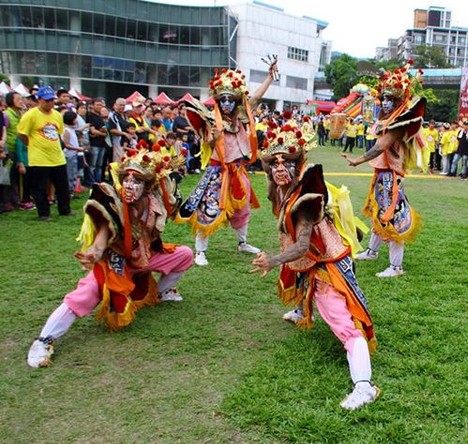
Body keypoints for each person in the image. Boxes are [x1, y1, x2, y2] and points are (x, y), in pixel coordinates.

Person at [251, 121, 379, 410]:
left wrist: (272, 260)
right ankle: (300, 312)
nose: (280, 168)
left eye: (287, 162)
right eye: (275, 163)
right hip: (319, 260)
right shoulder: (283, 191)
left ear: (299, 165)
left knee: (344, 324)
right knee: (299, 276)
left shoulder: (306, 198)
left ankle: (364, 386)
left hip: (328, 263)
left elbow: (301, 246)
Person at [27, 147, 193, 368]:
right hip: (117, 262)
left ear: (148, 186)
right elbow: (103, 236)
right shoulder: (114, 203)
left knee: (184, 255)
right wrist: (95, 252)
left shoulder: (156, 201)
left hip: (144, 256)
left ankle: (163, 292)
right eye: (127, 178)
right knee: (86, 294)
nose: (130, 184)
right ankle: (44, 340)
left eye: (137, 180)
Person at [177, 62, 278, 265]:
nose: (226, 103)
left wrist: (270, 76)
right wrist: (213, 137)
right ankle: (200, 251)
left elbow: (256, 98)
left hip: (238, 170)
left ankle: (242, 243)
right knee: (208, 209)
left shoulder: (241, 116)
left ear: (236, 101)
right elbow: (208, 143)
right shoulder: (210, 120)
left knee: (243, 210)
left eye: (230, 100)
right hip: (217, 172)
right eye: (222, 99)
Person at [341, 61, 426, 277]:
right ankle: (372, 251)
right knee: (379, 212)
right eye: (384, 98)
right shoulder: (389, 120)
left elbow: (380, 146)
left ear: (400, 100)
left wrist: (357, 160)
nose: (386, 103)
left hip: (390, 177)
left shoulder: (399, 124)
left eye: (391, 98)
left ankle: (396, 267)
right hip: (383, 175)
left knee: (392, 216)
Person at [17, 85, 73, 221]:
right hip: (38, 158)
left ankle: (65, 210)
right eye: (46, 100)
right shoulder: (30, 115)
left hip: (57, 157)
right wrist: (32, 145)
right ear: (39, 100)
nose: (49, 103)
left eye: (51, 101)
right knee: (39, 188)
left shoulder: (57, 115)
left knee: (62, 186)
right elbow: (22, 134)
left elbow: (58, 133)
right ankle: (44, 213)